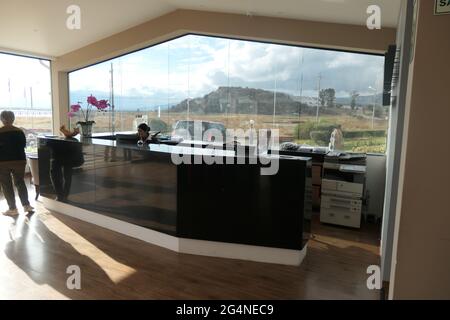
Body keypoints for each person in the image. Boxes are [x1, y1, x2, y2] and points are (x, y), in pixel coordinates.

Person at [0, 110, 34, 216]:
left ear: (2, 119)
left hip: (3, 162)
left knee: (6, 185)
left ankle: (12, 209)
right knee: (20, 182)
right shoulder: (19, 131)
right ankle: (26, 205)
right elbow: (23, 145)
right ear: (13, 119)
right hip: (19, 161)